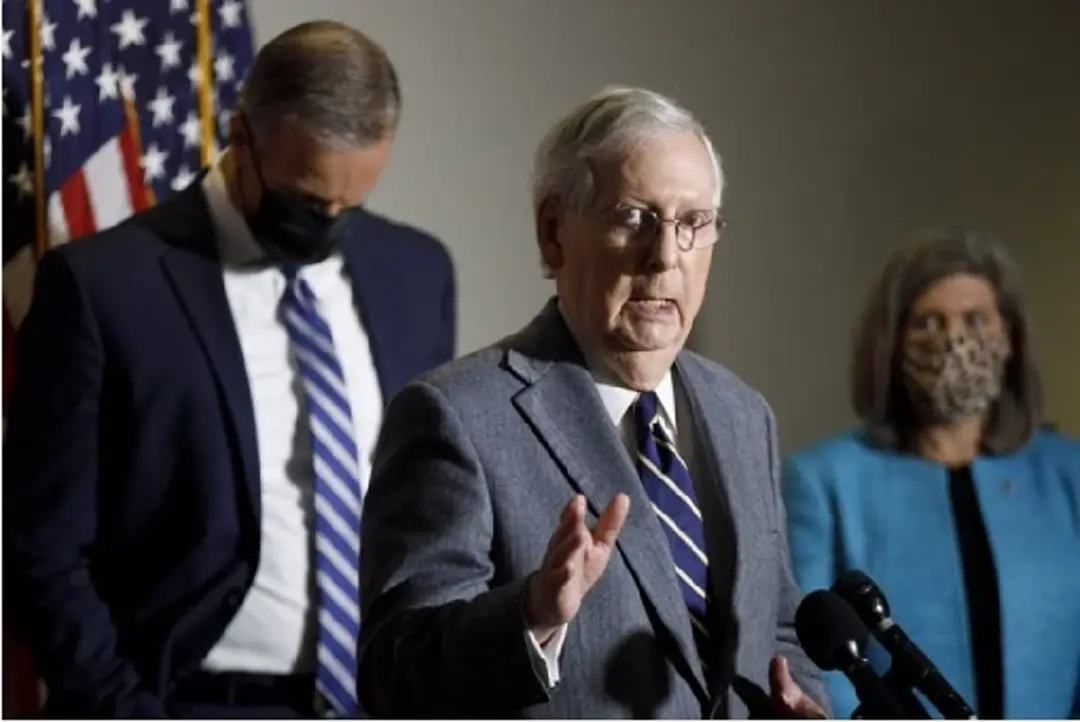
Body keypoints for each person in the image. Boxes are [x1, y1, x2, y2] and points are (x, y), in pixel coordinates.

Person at [4, 20, 455, 718]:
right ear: (241, 135)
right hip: (186, 700)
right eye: (307, 201)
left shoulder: (417, 274)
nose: (328, 222)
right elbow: (42, 548)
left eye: (351, 205)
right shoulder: (104, 289)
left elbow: (430, 508)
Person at [356, 86, 826, 719]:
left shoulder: (742, 414)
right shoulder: (456, 416)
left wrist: (802, 701)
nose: (665, 256)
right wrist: (530, 616)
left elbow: (778, 631)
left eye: (693, 223)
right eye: (633, 216)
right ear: (554, 233)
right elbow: (394, 679)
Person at [782, 228, 1080, 719]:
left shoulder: (1067, 477)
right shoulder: (826, 481)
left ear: (1009, 337)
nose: (954, 340)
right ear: (893, 342)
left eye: (976, 319)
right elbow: (810, 658)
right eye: (928, 321)